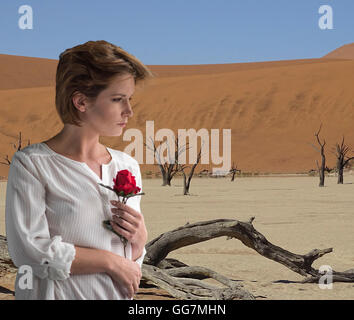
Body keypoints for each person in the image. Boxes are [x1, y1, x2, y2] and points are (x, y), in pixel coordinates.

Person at [5, 40, 154, 300]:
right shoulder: (33, 164)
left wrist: (140, 241)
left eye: (129, 99)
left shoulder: (126, 166)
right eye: (118, 99)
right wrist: (109, 261)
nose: (129, 111)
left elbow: (130, 268)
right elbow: (27, 252)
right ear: (81, 102)